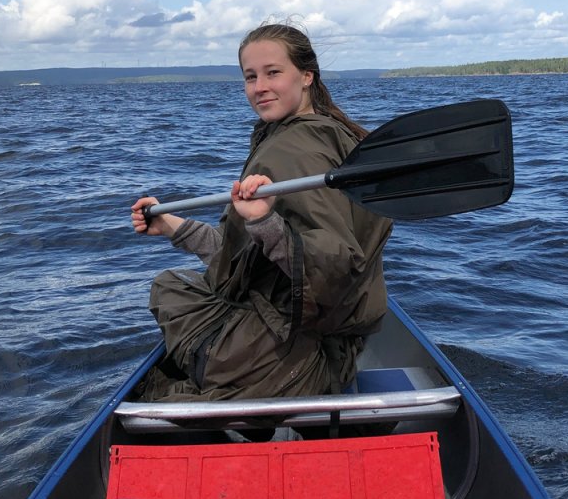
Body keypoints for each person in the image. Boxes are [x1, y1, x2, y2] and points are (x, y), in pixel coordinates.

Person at [130, 23, 393, 401]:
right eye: (250, 76)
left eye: (273, 72)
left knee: (168, 292)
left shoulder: (295, 149)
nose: (259, 87)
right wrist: (173, 226)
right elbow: (245, 258)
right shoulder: (330, 133)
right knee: (173, 286)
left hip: (290, 357)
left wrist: (263, 222)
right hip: (312, 343)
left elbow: (334, 270)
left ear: (306, 75)